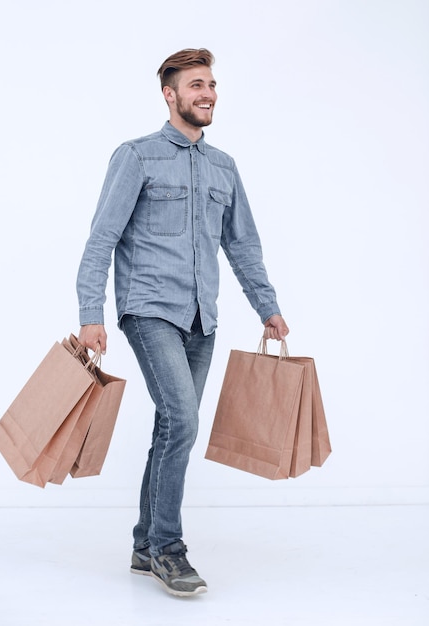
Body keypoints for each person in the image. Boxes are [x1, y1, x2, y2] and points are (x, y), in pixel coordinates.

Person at [76, 48, 289, 597]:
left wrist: (268, 306)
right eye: (196, 85)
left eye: (211, 84)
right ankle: (169, 547)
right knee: (184, 421)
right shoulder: (136, 156)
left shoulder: (224, 167)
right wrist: (89, 315)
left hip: (203, 317)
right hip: (148, 309)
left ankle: (145, 544)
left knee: (173, 427)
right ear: (169, 95)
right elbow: (102, 238)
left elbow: (243, 246)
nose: (207, 94)